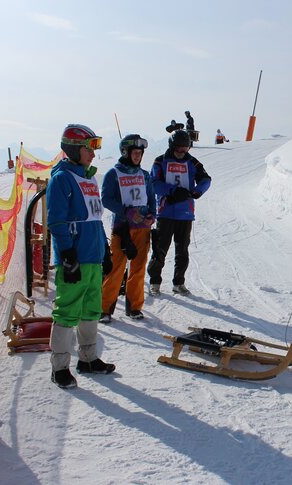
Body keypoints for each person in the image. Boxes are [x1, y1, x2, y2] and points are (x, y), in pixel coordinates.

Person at [46, 124, 116, 389]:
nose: (93, 155)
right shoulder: (62, 179)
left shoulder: (89, 178)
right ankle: (59, 366)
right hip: (74, 257)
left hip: (93, 257)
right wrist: (66, 253)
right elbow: (57, 220)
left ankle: (87, 358)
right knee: (66, 312)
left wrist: (105, 250)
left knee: (90, 310)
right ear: (74, 149)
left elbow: (95, 218)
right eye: (89, 149)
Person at [99, 134, 156, 323]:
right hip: (122, 228)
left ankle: (134, 307)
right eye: (135, 153)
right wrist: (126, 212)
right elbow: (106, 199)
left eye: (140, 153)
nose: (138, 157)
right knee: (116, 268)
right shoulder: (113, 174)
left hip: (142, 228)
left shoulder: (144, 175)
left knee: (139, 268)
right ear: (125, 152)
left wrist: (152, 215)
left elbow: (151, 196)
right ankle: (105, 308)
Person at [147, 130, 212, 296]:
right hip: (165, 212)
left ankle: (179, 282)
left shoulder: (192, 162)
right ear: (172, 146)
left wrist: (196, 192)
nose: (182, 153)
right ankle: (154, 282)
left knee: (182, 250)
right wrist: (172, 191)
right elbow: (153, 183)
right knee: (160, 249)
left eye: (186, 149)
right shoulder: (160, 161)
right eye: (179, 149)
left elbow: (206, 179)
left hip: (185, 213)